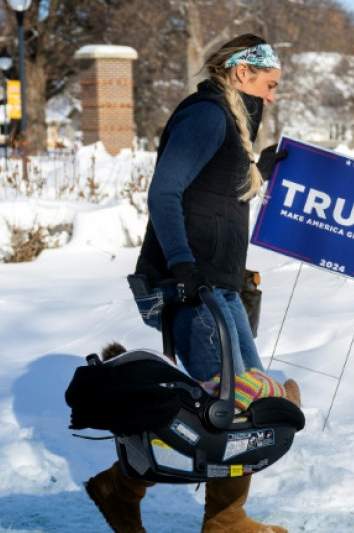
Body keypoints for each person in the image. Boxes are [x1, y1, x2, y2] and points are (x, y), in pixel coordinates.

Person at [85, 34, 296, 533]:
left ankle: (219, 516)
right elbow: (165, 192)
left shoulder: (231, 121)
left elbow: (212, 197)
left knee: (249, 409)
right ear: (243, 73)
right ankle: (142, 496)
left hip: (218, 288)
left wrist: (256, 172)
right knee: (233, 407)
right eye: (269, 84)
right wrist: (182, 265)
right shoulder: (206, 115)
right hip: (193, 288)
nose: (272, 96)